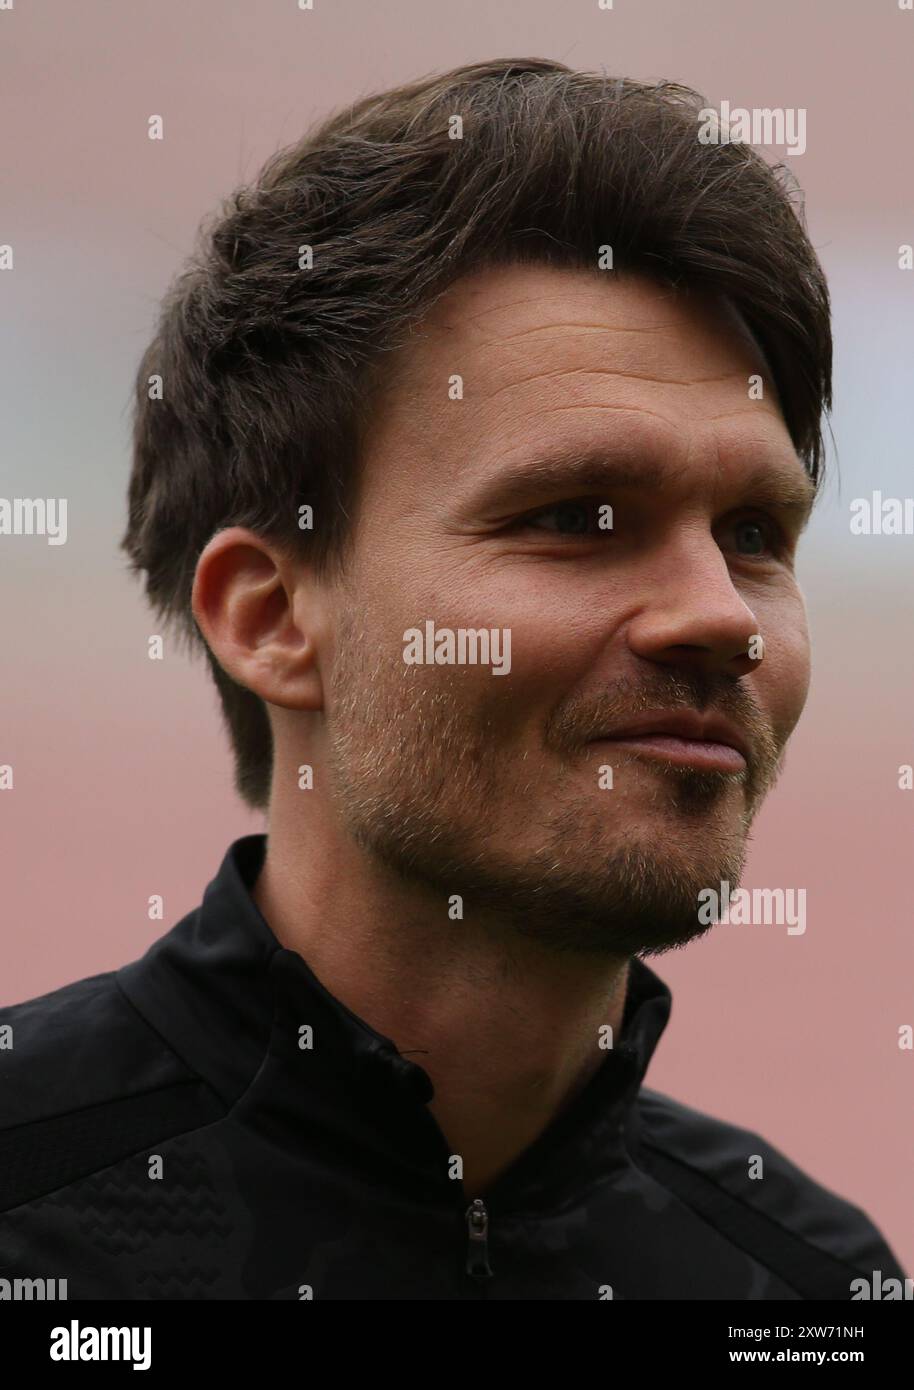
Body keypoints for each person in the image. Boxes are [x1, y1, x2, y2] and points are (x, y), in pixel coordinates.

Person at [0, 58, 905, 1300]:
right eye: (578, 516)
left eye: (753, 534)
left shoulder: (807, 1288)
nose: (717, 616)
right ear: (270, 618)